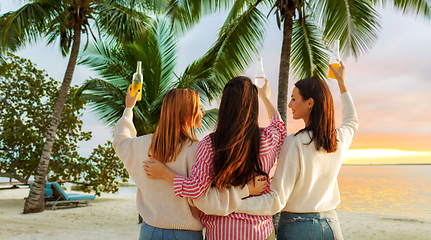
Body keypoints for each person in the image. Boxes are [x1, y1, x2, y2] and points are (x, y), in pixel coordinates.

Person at [113, 85, 264, 240]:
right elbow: (207, 199)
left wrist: (129, 108)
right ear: (186, 114)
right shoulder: (199, 150)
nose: (203, 112)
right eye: (199, 108)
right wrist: (245, 190)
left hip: (149, 231)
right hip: (184, 234)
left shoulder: (141, 145)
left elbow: (120, 140)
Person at [144, 76, 287, 240]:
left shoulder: (210, 144)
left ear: (224, 105)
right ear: (252, 106)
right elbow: (279, 127)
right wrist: (264, 97)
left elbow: (195, 190)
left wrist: (164, 173)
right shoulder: (268, 139)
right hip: (258, 232)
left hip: (220, 232)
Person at [233, 61, 358, 239]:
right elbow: (352, 120)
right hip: (332, 225)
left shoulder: (295, 142)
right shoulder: (339, 138)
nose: (290, 105)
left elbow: (276, 200)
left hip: (298, 227)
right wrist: (341, 83)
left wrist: (232, 203)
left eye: (293, 99)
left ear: (310, 103)